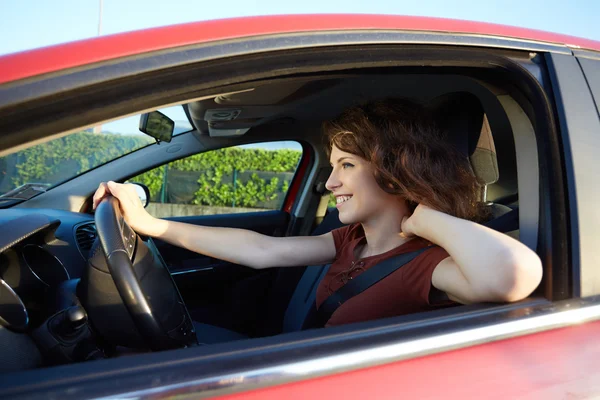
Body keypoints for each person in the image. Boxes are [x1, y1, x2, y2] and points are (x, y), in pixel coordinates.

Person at [92, 99, 542, 328]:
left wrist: (423, 217)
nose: (330, 184)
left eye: (347, 165)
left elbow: (513, 276)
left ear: (394, 170)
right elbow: (261, 249)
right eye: (332, 167)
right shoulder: (350, 242)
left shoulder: (428, 265)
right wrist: (152, 225)